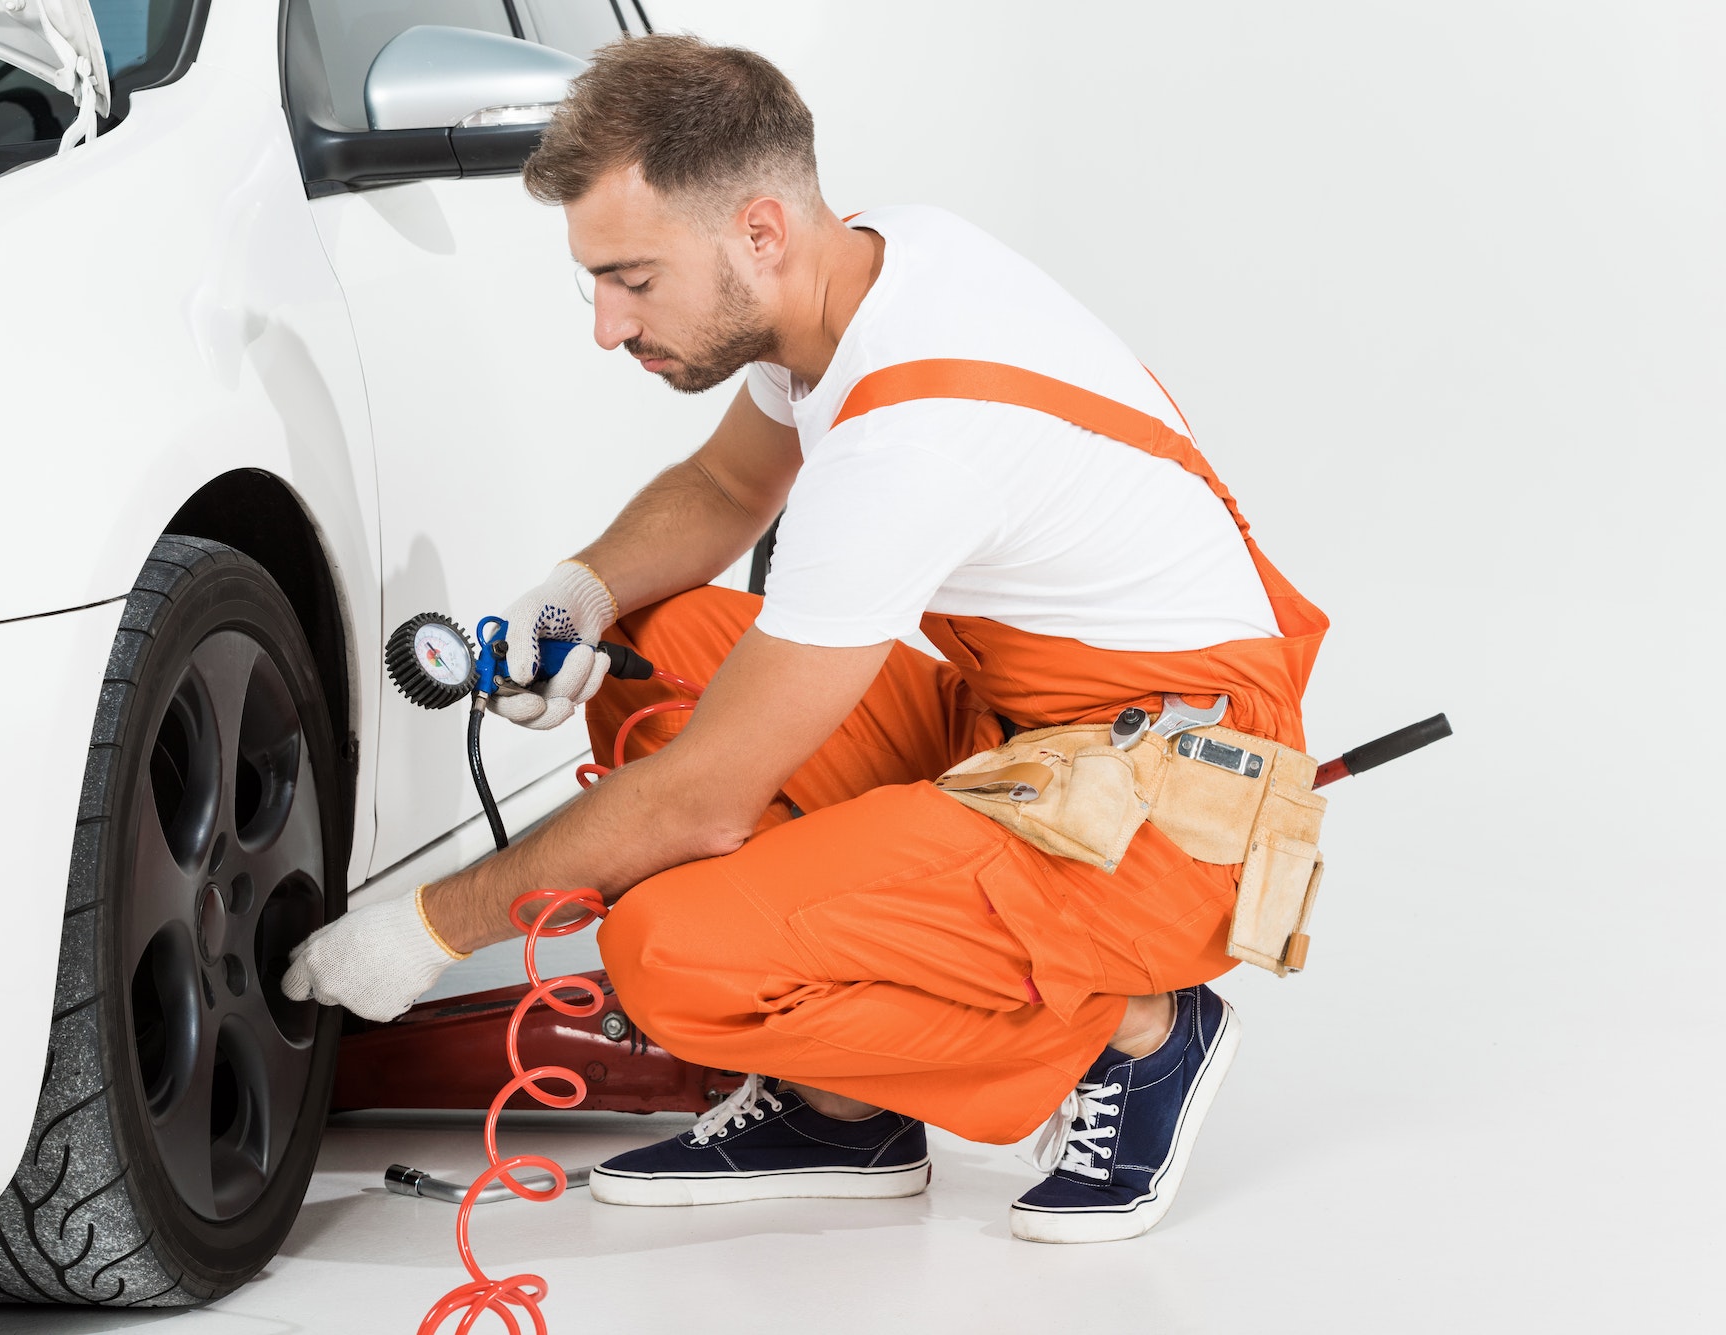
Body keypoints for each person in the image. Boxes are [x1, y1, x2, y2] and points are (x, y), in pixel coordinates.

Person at [283, 32, 1326, 1243]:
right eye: (594, 284)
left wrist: (423, 929)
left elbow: (702, 805)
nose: (607, 328)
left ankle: (1142, 1030)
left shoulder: (912, 440)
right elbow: (731, 489)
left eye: (631, 278)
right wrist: (574, 595)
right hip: (1031, 732)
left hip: (1165, 804)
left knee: (666, 955)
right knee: (661, 648)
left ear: (759, 232)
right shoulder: (874, 266)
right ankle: (840, 1113)